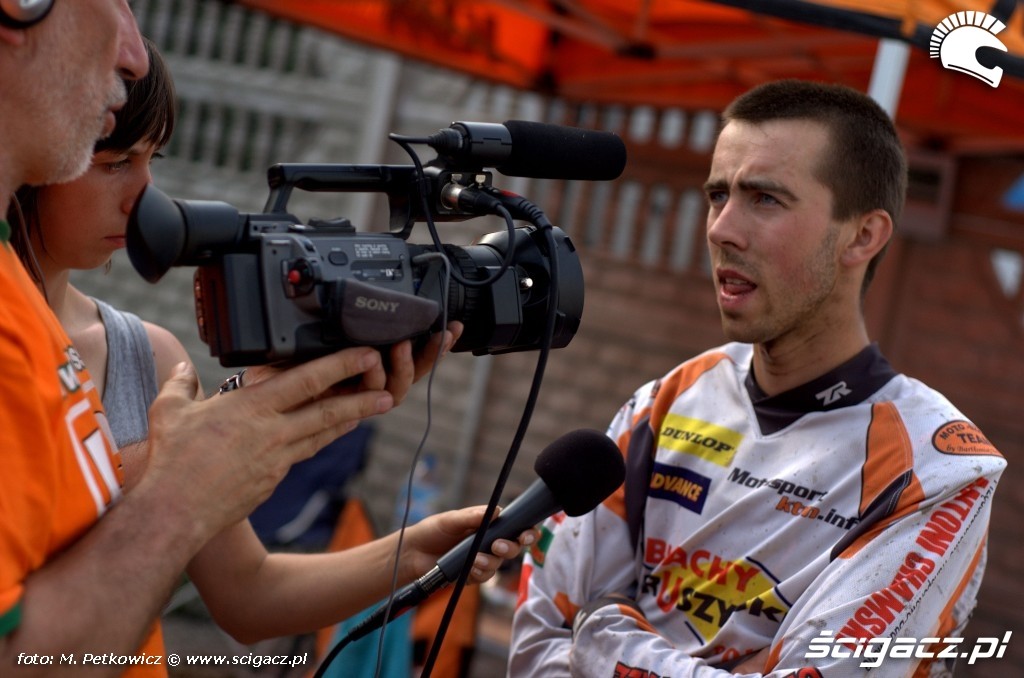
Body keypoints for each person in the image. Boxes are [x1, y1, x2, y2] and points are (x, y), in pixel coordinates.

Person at [0, 4, 523, 675]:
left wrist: (418, 551)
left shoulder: (148, 356)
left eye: (154, 159)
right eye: (115, 160)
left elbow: (247, 592)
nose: (144, 195)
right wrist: (180, 474)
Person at [509, 79, 1007, 677]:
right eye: (718, 195)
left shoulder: (939, 469)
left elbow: (577, 634)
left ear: (863, 235)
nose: (721, 229)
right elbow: (536, 651)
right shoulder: (667, 401)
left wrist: (603, 632)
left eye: (765, 199)